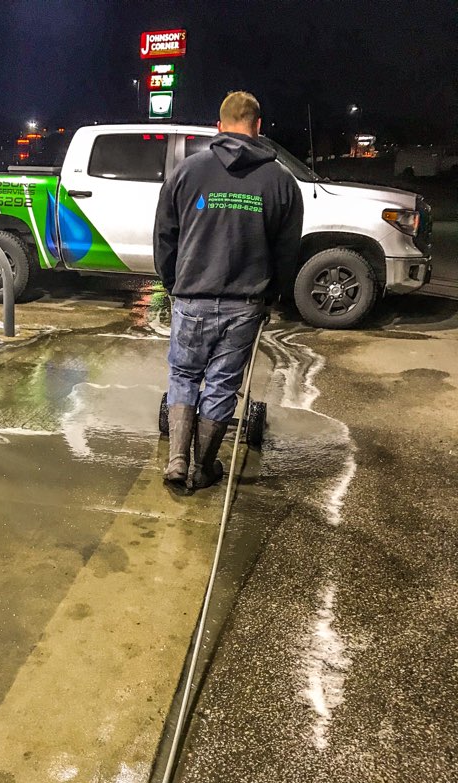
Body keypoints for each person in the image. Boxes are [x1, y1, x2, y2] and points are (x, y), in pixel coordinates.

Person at [154, 91, 304, 490]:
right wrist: (274, 293)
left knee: (184, 374)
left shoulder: (187, 172)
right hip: (245, 302)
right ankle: (202, 467)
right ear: (258, 126)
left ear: (218, 127)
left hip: (192, 297)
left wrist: (173, 283)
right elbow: (286, 250)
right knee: (222, 383)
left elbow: (165, 237)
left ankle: (177, 462)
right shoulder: (282, 182)